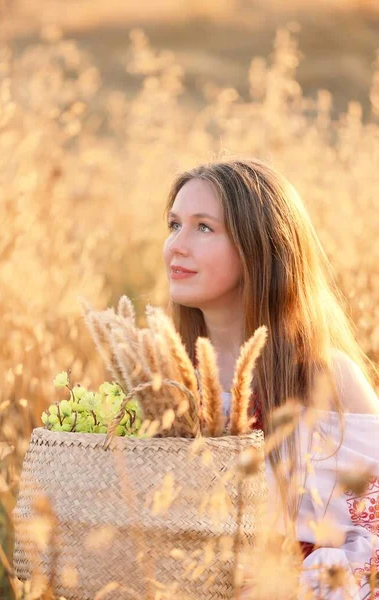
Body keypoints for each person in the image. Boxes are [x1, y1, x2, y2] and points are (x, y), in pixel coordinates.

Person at [162, 158, 379, 599]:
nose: (176, 246)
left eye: (203, 227)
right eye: (174, 224)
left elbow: (373, 537)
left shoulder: (326, 377)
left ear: (260, 247)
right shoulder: (161, 381)